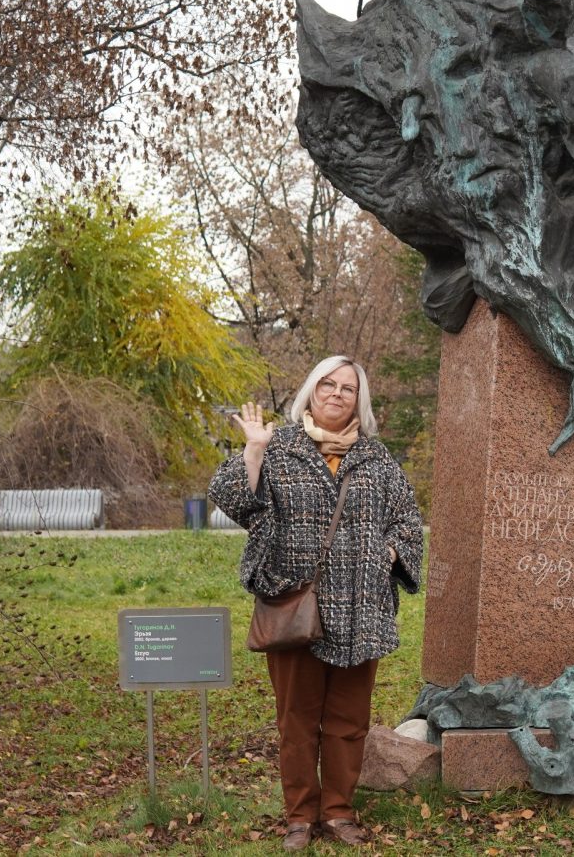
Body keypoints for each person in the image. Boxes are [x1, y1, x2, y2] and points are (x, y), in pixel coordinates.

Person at [210, 356, 424, 850]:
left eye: (348, 388)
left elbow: (408, 522)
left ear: (358, 401)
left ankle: (339, 812)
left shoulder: (377, 459)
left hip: (361, 609)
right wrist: (253, 452)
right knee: (297, 722)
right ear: (310, 391)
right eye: (327, 384)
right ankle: (300, 817)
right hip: (295, 606)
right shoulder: (280, 448)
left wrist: (388, 552)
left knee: (349, 723)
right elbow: (230, 498)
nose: (336, 394)